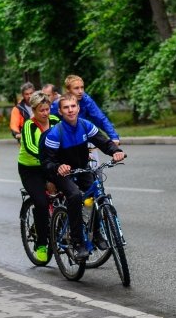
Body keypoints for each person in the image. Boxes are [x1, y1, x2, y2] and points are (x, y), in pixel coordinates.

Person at [41, 94, 125, 260]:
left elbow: (103, 142)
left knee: (97, 193)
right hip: (61, 172)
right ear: (60, 111)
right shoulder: (55, 133)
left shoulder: (85, 125)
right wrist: (59, 167)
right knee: (74, 195)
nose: (70, 110)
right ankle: (77, 242)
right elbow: (47, 162)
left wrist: (115, 151)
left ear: (78, 108)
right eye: (66, 107)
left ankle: (97, 234)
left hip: (82, 168)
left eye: (73, 106)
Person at [17, 91, 60, 264]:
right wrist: (49, 158)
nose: (45, 113)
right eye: (41, 110)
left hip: (50, 165)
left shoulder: (56, 121)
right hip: (31, 169)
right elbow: (30, 147)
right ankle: (41, 244)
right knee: (42, 203)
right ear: (34, 110)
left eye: (47, 109)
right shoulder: (29, 125)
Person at [50, 75, 119, 144]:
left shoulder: (86, 100)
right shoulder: (58, 104)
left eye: (82, 88)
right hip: (65, 140)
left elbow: (100, 118)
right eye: (76, 88)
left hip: (84, 138)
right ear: (68, 90)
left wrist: (114, 137)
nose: (80, 91)